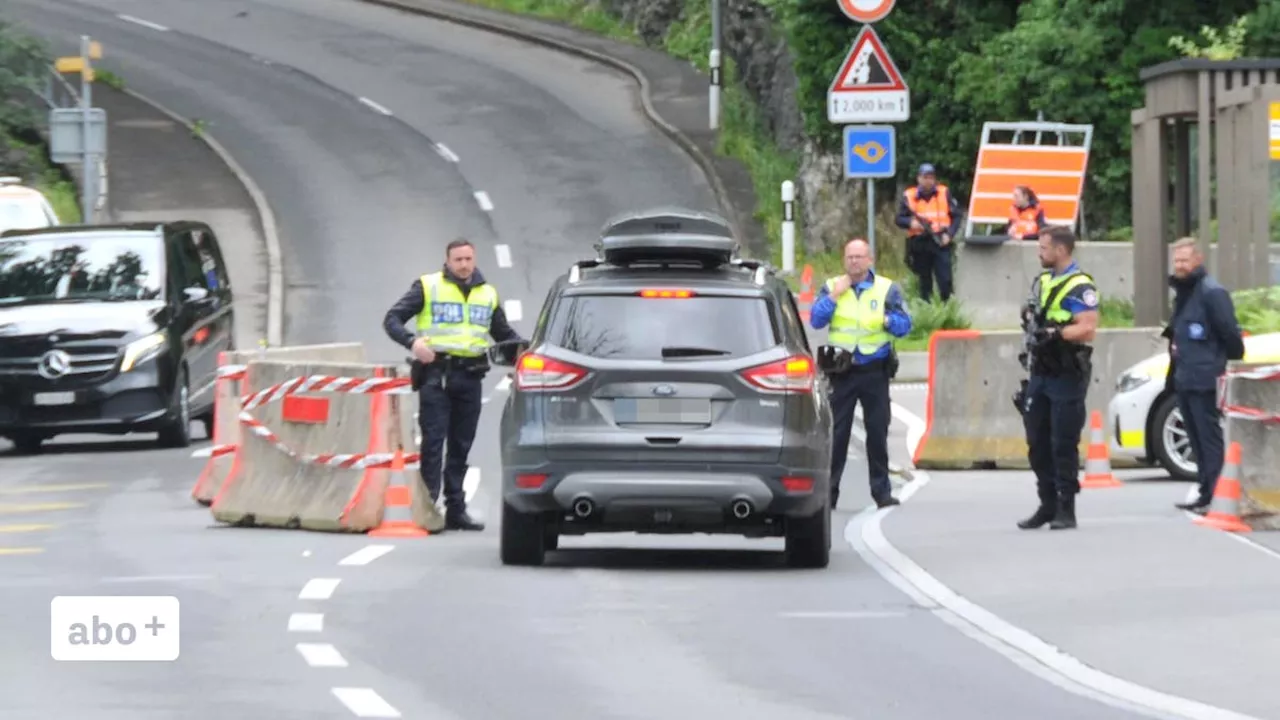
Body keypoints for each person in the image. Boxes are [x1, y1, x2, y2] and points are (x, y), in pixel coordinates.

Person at [382, 237, 525, 531]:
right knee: (433, 442)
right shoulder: (428, 286)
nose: (463, 265)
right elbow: (392, 319)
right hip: (437, 374)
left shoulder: (487, 294)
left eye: (468, 259)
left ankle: (456, 509)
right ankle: (428, 506)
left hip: (470, 376)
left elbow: (504, 335)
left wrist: (525, 358)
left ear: (474, 260)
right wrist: (413, 343)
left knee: (462, 445)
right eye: (458, 260)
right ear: (447, 261)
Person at [809, 237, 913, 510]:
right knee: (838, 434)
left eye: (859, 256)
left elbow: (905, 325)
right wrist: (834, 296)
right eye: (850, 257)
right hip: (841, 371)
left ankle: (882, 493)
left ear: (870, 260)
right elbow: (816, 319)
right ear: (845, 261)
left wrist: (887, 320)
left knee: (877, 433)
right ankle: (829, 494)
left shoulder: (886, 289)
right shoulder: (833, 286)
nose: (854, 261)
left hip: (873, 370)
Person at [1016, 226, 1099, 531]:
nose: (1039, 253)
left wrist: (1057, 333)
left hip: (1066, 372)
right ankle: (1046, 503)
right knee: (1036, 440)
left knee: (1062, 442)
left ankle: (1066, 507)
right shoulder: (1043, 281)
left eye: (1043, 248)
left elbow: (1088, 327)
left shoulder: (1080, 285)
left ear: (1061, 250)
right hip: (1040, 370)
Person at [1164, 237, 1245, 513]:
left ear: (1198, 260)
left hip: (1205, 378)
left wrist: (1218, 365)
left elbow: (1231, 335)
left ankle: (1216, 495)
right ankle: (1205, 491)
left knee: (1209, 440)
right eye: (1176, 261)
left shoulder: (1211, 292)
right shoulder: (1185, 292)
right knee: (1196, 438)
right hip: (1185, 377)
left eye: (1185, 260)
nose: (1180, 266)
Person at [895, 163, 962, 303]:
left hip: (940, 241)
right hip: (919, 243)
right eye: (925, 177)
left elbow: (956, 216)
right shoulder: (909, 195)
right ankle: (927, 314)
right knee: (924, 283)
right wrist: (911, 223)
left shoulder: (944, 193)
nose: (928, 180)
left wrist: (949, 234)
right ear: (918, 178)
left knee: (945, 281)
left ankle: (947, 313)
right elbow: (899, 219)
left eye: (931, 177)